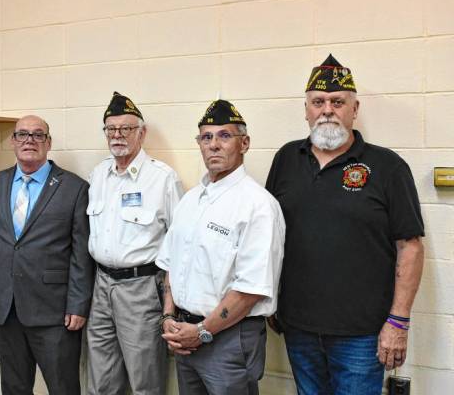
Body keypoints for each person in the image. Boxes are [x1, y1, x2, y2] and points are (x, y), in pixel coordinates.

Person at [266, 54, 425, 395]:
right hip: (298, 327)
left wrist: (398, 321)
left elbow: (409, 246)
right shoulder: (285, 159)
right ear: (306, 109)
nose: (327, 110)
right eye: (318, 102)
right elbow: (267, 236)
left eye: (337, 102)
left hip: (362, 335)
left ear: (354, 109)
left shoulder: (388, 166)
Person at [157, 100, 285, 395]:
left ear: (245, 143)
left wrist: (201, 332)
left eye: (225, 136)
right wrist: (168, 317)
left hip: (228, 341)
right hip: (184, 334)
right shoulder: (190, 201)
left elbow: (250, 289)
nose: (214, 145)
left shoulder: (258, 206)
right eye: (206, 137)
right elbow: (171, 266)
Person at [0, 115, 94, 395]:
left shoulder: (74, 188)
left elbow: (81, 255)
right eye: (22, 135)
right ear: (13, 141)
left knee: (63, 387)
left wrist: (78, 305)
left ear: (48, 143)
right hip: (6, 308)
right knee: (13, 387)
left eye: (37, 135)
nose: (29, 141)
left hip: (56, 313)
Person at [86, 92, 183, 395]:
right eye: (111, 129)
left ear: (142, 133)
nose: (117, 135)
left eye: (125, 128)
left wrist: (170, 306)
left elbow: (179, 247)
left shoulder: (163, 178)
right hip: (100, 286)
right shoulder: (99, 174)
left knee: (145, 381)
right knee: (100, 380)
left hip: (141, 289)